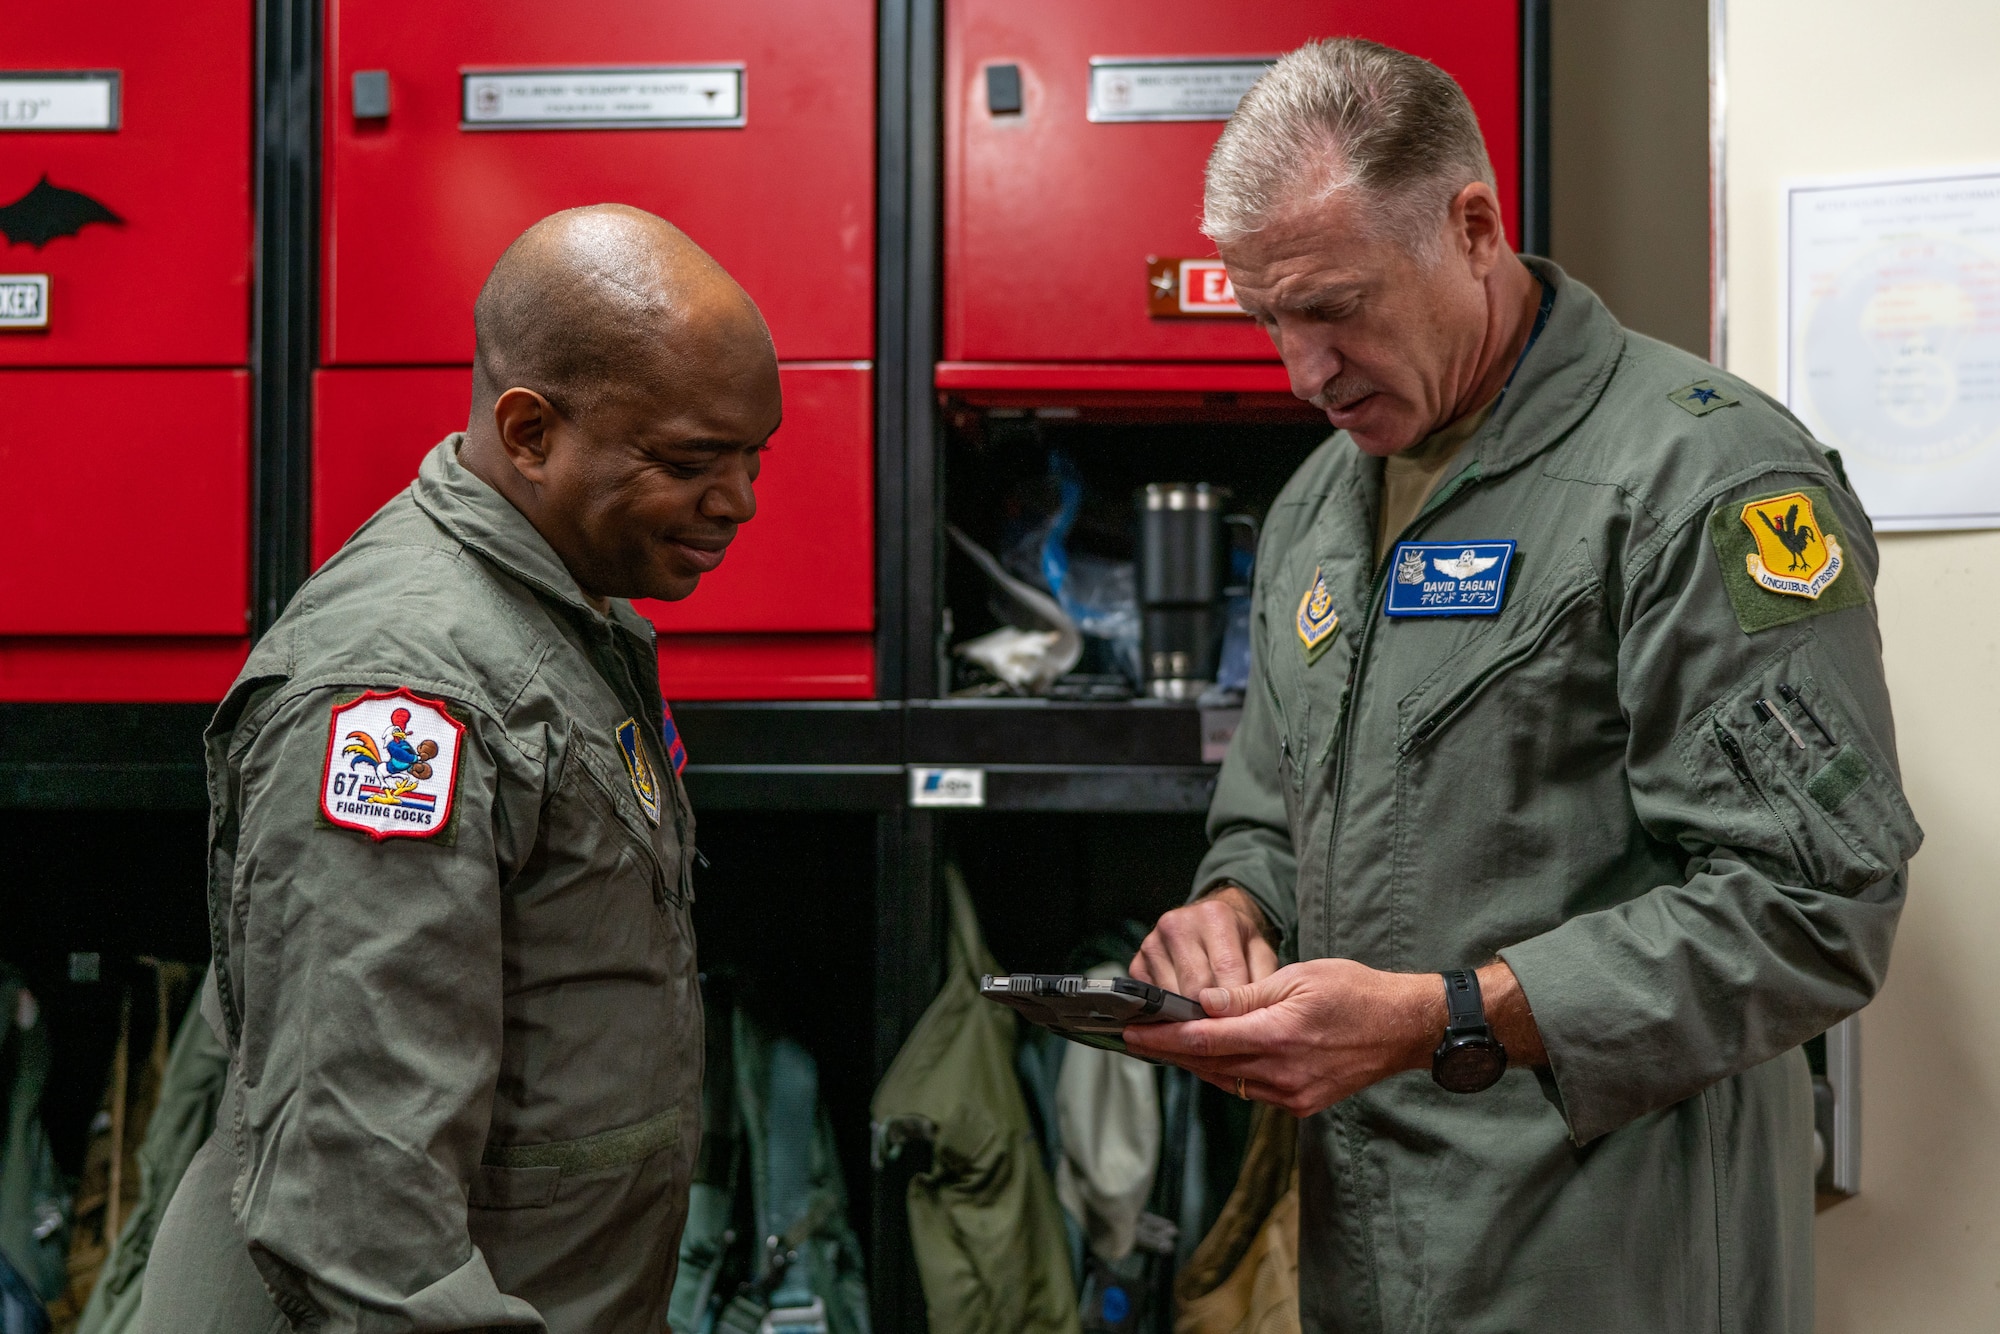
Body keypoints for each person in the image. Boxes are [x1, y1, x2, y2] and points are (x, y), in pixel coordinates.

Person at [1123, 39, 1919, 1333]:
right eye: (1270, 319)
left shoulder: (1699, 479)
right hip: (1366, 1259)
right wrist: (1229, 907)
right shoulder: (1318, 506)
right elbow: (1272, 813)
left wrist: (1439, 1017)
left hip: (1613, 1266)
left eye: (1335, 307)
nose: (1303, 372)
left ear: (1473, 228)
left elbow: (1813, 907)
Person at [137, 204, 780, 1333]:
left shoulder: (558, 617)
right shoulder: (404, 692)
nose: (738, 502)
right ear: (529, 432)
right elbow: (360, 1202)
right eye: (689, 461)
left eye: (752, 456)